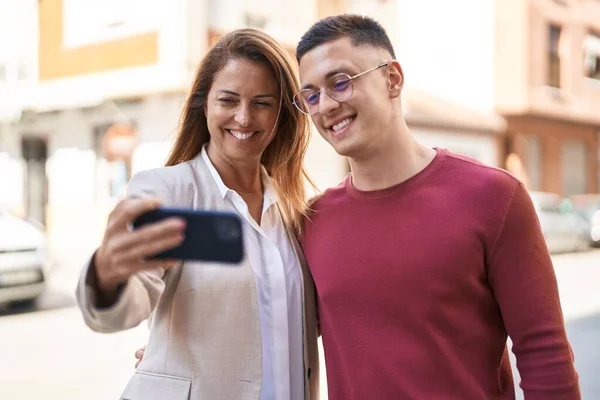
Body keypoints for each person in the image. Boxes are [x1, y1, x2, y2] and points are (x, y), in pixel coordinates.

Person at [294, 14, 580, 400]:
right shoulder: (314, 221)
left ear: (392, 79)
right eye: (310, 95)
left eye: (340, 83)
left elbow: (543, 353)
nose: (325, 105)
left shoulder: (493, 197)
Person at [75, 28, 319, 400]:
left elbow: (294, 323)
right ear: (204, 105)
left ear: (280, 114)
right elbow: (131, 299)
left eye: (262, 103)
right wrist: (108, 277)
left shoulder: (293, 211)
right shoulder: (165, 192)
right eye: (228, 100)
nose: (243, 117)